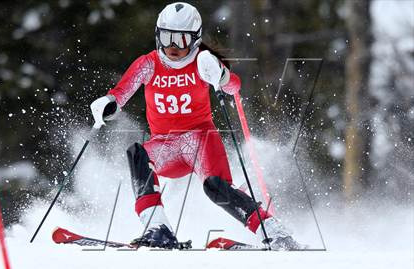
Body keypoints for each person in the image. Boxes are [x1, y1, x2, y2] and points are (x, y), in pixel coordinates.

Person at [90, 2, 301, 250]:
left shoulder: (203, 61)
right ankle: (158, 229)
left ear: (195, 39)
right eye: (166, 37)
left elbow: (233, 86)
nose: (172, 46)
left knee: (217, 188)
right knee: (137, 153)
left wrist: (220, 76)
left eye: (181, 40)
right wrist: (109, 103)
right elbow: (122, 92)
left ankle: (276, 232)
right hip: (165, 145)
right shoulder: (149, 63)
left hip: (200, 140)